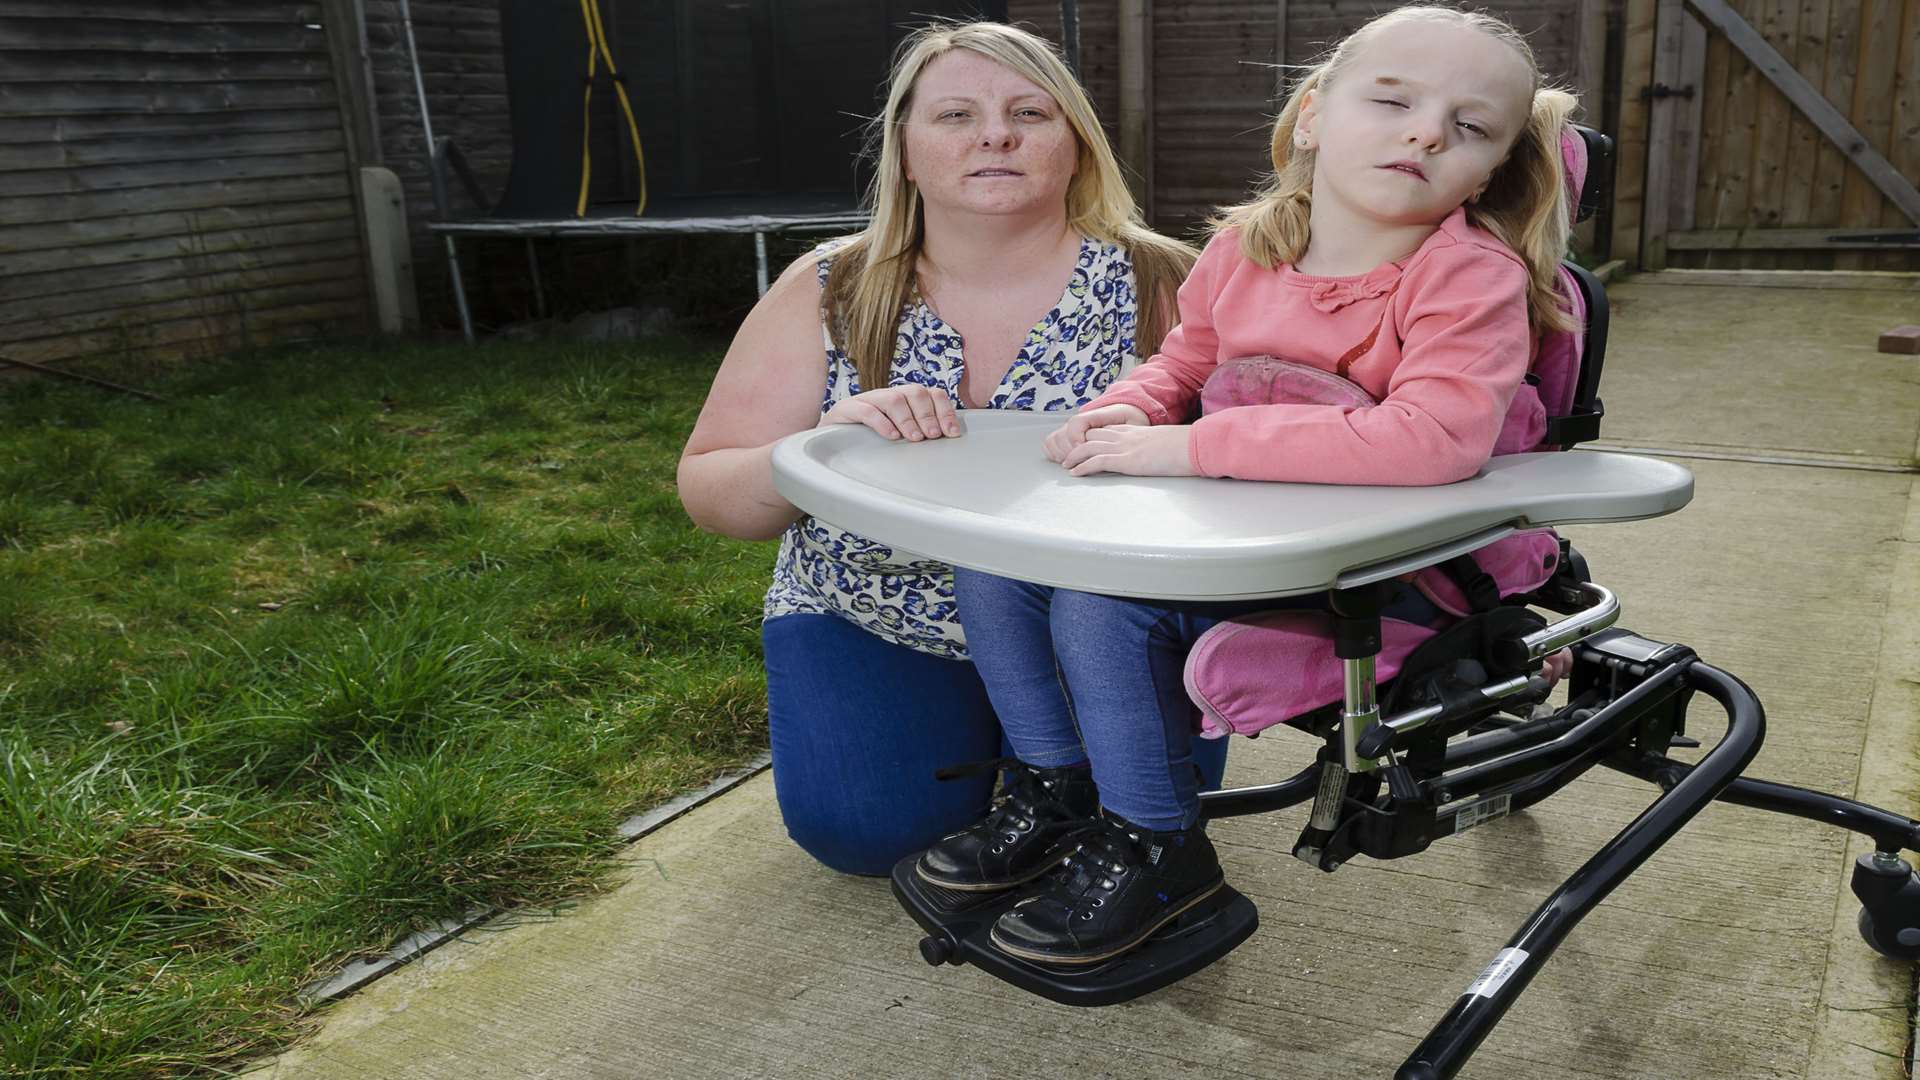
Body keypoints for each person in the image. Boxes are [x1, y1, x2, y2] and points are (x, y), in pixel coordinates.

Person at [917, 5, 1582, 966]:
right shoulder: (1249, 247)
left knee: (1104, 609)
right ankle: (1059, 793)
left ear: (1490, 171)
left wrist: (1191, 451)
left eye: (1470, 127)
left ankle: (1160, 851)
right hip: (1245, 535)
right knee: (993, 568)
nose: (1427, 131)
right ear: (1312, 115)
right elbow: (1185, 360)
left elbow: (1432, 439)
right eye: (1392, 100)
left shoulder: (1465, 280)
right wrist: (1136, 408)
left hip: (1385, 574)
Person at [676, 21, 1208, 876]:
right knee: (864, 834)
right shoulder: (832, 288)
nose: (995, 134)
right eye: (956, 115)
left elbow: (1249, 472)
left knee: (1126, 832)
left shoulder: (1169, 283)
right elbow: (708, 492)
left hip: (1103, 623)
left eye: (1029, 112)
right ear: (907, 153)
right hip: (877, 608)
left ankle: (1055, 763)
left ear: (1075, 147)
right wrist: (816, 450)